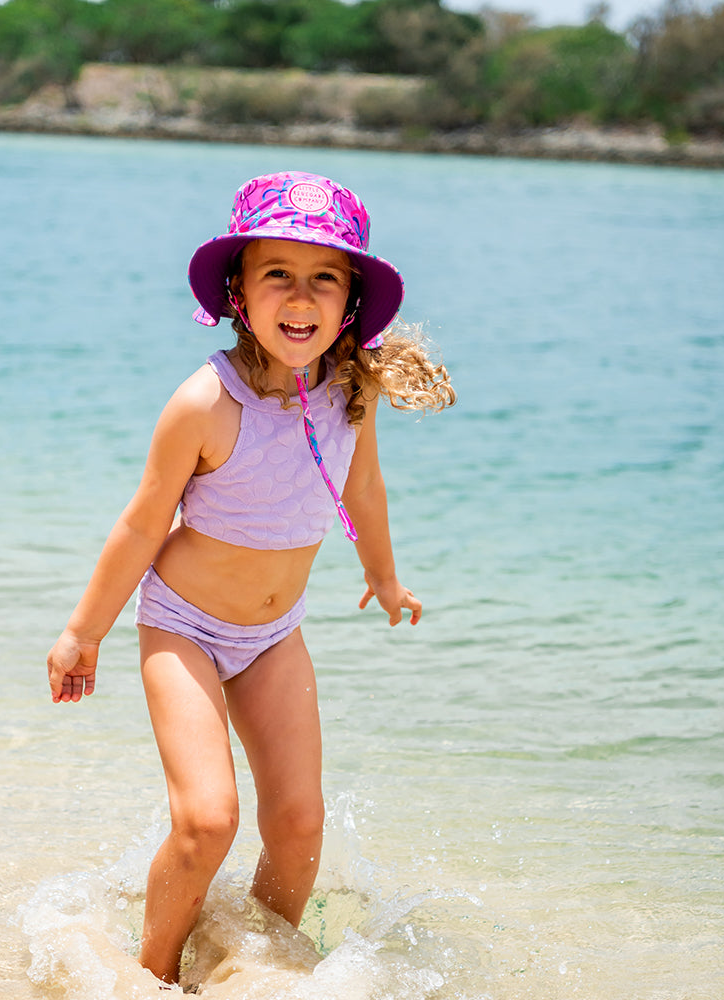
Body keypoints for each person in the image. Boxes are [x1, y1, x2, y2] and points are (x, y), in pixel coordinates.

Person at [46, 171, 455, 987]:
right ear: (238, 291)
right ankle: (150, 975)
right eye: (278, 274)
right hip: (184, 628)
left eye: (323, 279)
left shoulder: (352, 393)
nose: (299, 297)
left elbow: (362, 488)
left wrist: (384, 573)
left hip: (274, 634)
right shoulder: (205, 403)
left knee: (301, 824)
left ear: (349, 303)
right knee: (206, 820)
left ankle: (256, 965)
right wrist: (83, 632)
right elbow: (141, 523)